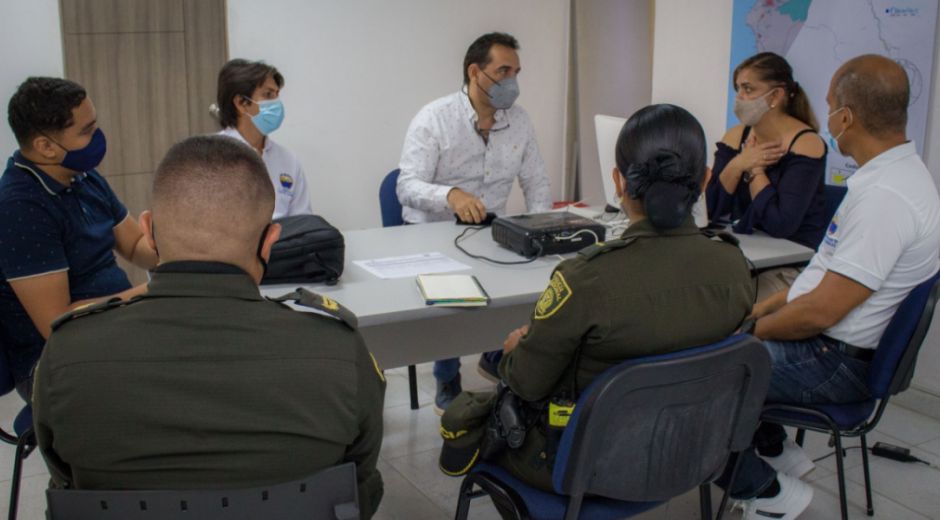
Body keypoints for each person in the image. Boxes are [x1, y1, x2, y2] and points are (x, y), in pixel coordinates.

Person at [32, 135, 385, 518]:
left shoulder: (69, 353)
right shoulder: (337, 350)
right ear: (269, 243)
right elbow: (361, 485)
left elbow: (65, 483)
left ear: (148, 231)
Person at [440, 104, 755, 495]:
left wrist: (518, 348)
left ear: (618, 183)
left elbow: (526, 382)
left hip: (579, 467)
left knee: (470, 415)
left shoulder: (585, 279)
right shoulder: (735, 267)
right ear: (705, 180)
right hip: (688, 456)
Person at [721, 55, 940, 520]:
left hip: (832, 362)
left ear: (848, 117)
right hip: (830, 348)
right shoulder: (889, 177)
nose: (827, 118)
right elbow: (818, 278)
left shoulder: (886, 198)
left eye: (830, 108)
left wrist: (752, 336)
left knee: (696, 371)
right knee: (725, 336)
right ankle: (777, 453)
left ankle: (765, 492)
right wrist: (756, 315)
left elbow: (820, 312)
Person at [396, 32, 552, 413]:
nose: (512, 81)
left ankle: (496, 355)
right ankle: (446, 374)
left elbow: (536, 181)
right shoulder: (435, 118)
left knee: (531, 284)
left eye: (516, 71)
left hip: (490, 232)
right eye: (503, 70)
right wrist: (450, 195)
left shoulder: (519, 121)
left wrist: (545, 228)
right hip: (432, 235)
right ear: (475, 72)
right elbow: (407, 185)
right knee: (452, 302)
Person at [0, 77, 157, 398]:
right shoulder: (19, 209)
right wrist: (152, 291)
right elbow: (58, 322)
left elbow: (135, 246)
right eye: (86, 131)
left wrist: (184, 249)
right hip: (53, 363)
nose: (97, 138)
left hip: (116, 327)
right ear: (46, 146)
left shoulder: (83, 177)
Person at [706, 52, 828, 253]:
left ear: (776, 95)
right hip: (747, 247)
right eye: (738, 89)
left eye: (748, 89)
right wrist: (738, 163)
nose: (739, 98)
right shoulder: (736, 135)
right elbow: (709, 210)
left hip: (791, 256)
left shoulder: (807, 143)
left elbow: (780, 224)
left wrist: (756, 170)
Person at [215, 58, 312, 219]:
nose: (276, 103)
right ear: (241, 103)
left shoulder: (288, 161)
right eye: (268, 95)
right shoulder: (210, 157)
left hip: (285, 242)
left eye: (276, 95)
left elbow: (303, 223)